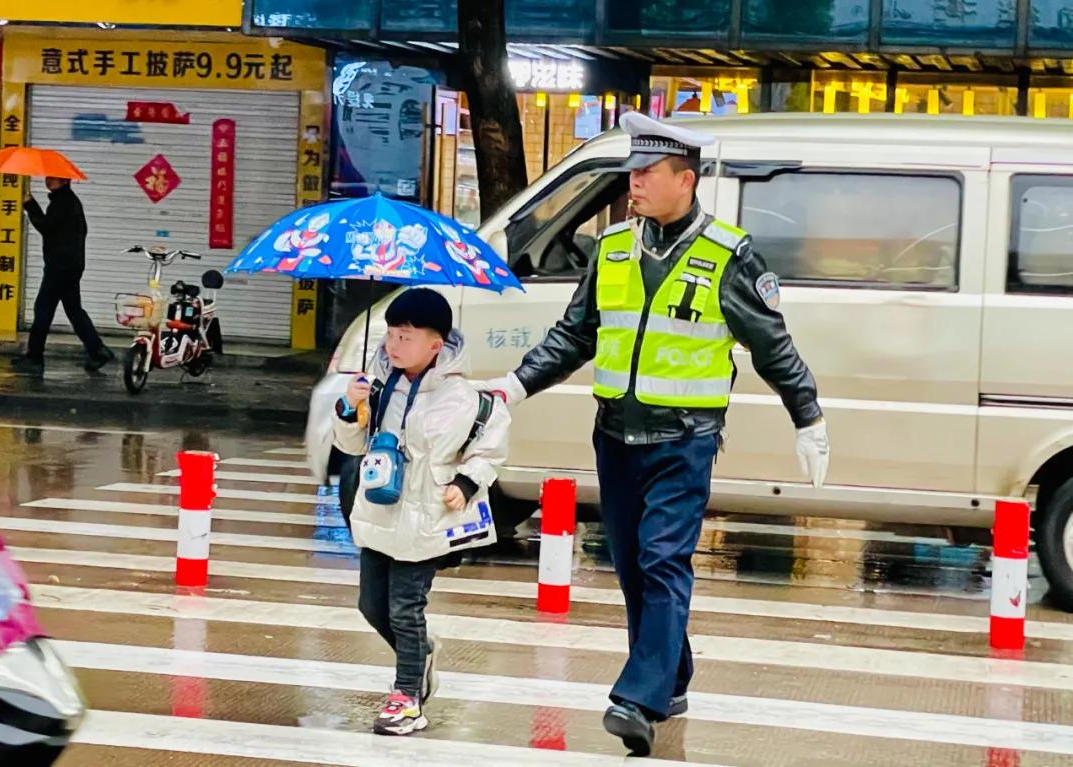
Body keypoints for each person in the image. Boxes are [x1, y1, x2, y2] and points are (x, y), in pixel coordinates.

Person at [485, 112, 830, 756]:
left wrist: (807, 417)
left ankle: (638, 700)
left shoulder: (727, 255)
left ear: (686, 180)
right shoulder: (613, 248)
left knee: (662, 561)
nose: (633, 183)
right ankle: (672, 677)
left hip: (684, 438)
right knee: (631, 569)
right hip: (614, 435)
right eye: (632, 172)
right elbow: (575, 334)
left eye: (645, 173)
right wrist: (513, 387)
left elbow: (771, 345)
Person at [333, 287, 510, 736]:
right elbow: (350, 445)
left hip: (426, 518)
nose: (393, 345)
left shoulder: (462, 396)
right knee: (371, 606)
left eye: (406, 337)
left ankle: (407, 696)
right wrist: (349, 408)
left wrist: (467, 483)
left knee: (404, 609)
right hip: (378, 511)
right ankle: (421, 655)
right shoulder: (376, 386)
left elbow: (490, 448)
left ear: (437, 344)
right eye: (391, 334)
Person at [11, 177, 114, 376]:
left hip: (60, 267)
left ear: (64, 181)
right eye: (48, 177)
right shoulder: (69, 201)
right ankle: (97, 350)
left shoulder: (63, 203)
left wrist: (30, 205)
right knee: (74, 310)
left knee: (43, 309)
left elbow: (46, 227)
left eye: (53, 179)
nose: (48, 181)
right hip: (70, 266)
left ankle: (34, 358)